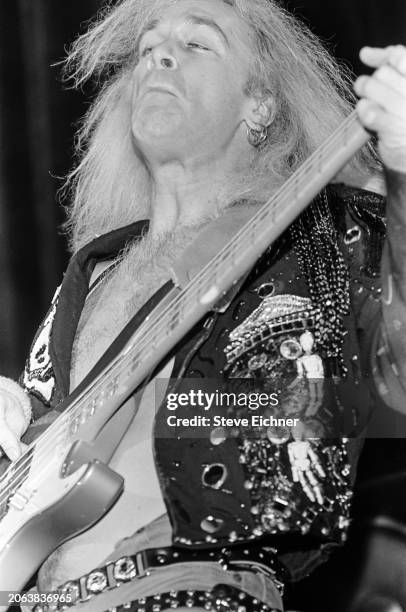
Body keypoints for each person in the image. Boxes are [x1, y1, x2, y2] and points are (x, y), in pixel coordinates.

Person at [0, 0, 405, 610]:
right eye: (149, 47)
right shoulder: (91, 275)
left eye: (199, 43)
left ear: (260, 105)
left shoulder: (318, 235)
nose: (160, 54)